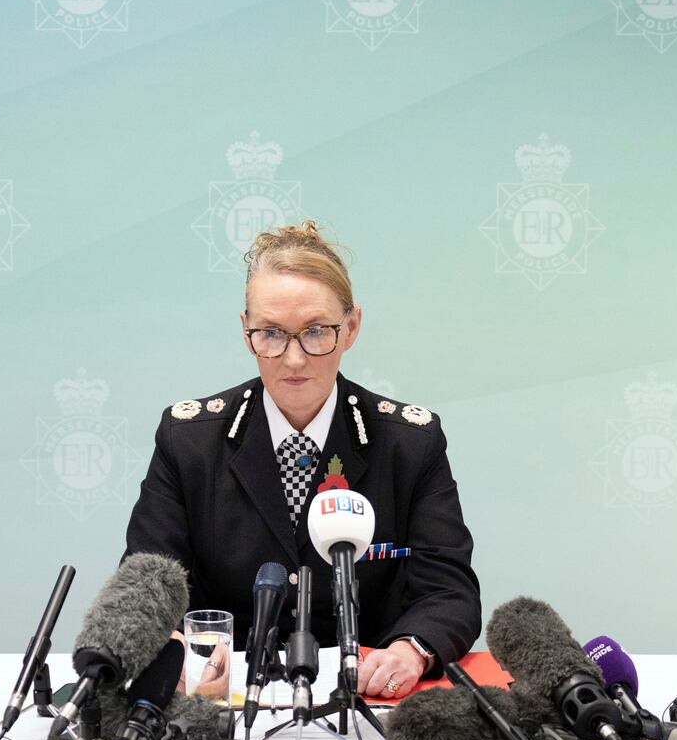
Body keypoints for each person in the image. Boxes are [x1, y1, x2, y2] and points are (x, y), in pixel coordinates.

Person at [124, 220, 481, 699]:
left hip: (365, 697)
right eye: (271, 333)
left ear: (351, 327)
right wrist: (170, 649)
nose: (293, 359)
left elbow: (448, 589)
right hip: (224, 693)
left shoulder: (409, 444)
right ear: (245, 330)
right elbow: (148, 579)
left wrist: (410, 649)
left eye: (316, 332)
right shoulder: (189, 441)